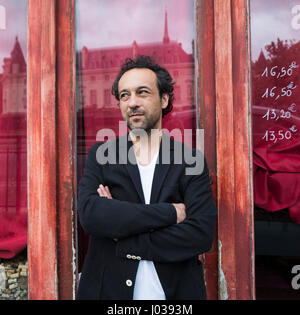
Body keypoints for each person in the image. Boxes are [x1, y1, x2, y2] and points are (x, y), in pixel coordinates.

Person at [76, 55, 217, 300]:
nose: (132, 103)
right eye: (124, 95)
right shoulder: (101, 156)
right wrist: (171, 213)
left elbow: (200, 235)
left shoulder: (190, 161)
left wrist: (123, 235)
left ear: (164, 99)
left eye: (142, 93)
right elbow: (91, 216)